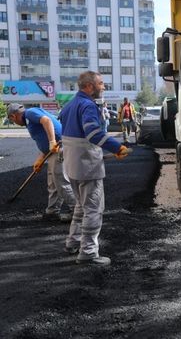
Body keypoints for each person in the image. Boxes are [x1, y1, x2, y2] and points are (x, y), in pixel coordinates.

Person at [59, 71, 130, 266]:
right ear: (89, 86)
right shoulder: (87, 105)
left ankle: (72, 242)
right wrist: (117, 147)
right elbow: (93, 133)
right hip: (87, 166)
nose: (103, 87)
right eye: (101, 83)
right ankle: (88, 252)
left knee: (80, 207)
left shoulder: (68, 106)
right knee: (93, 209)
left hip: (71, 166)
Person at [6, 103, 76, 222]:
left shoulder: (29, 113)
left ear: (13, 116)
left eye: (12, 121)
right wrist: (40, 158)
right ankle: (52, 211)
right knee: (53, 182)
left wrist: (52, 141)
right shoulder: (29, 119)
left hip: (59, 147)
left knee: (60, 180)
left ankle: (78, 211)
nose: (15, 123)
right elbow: (43, 139)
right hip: (53, 151)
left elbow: (47, 121)